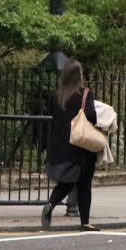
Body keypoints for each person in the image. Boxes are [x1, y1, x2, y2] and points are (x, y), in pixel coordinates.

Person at [41, 59, 101, 231]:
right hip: (80, 146)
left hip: (60, 144)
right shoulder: (85, 94)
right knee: (84, 184)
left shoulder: (58, 96)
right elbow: (90, 115)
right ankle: (85, 221)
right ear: (79, 75)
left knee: (66, 182)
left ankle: (51, 205)